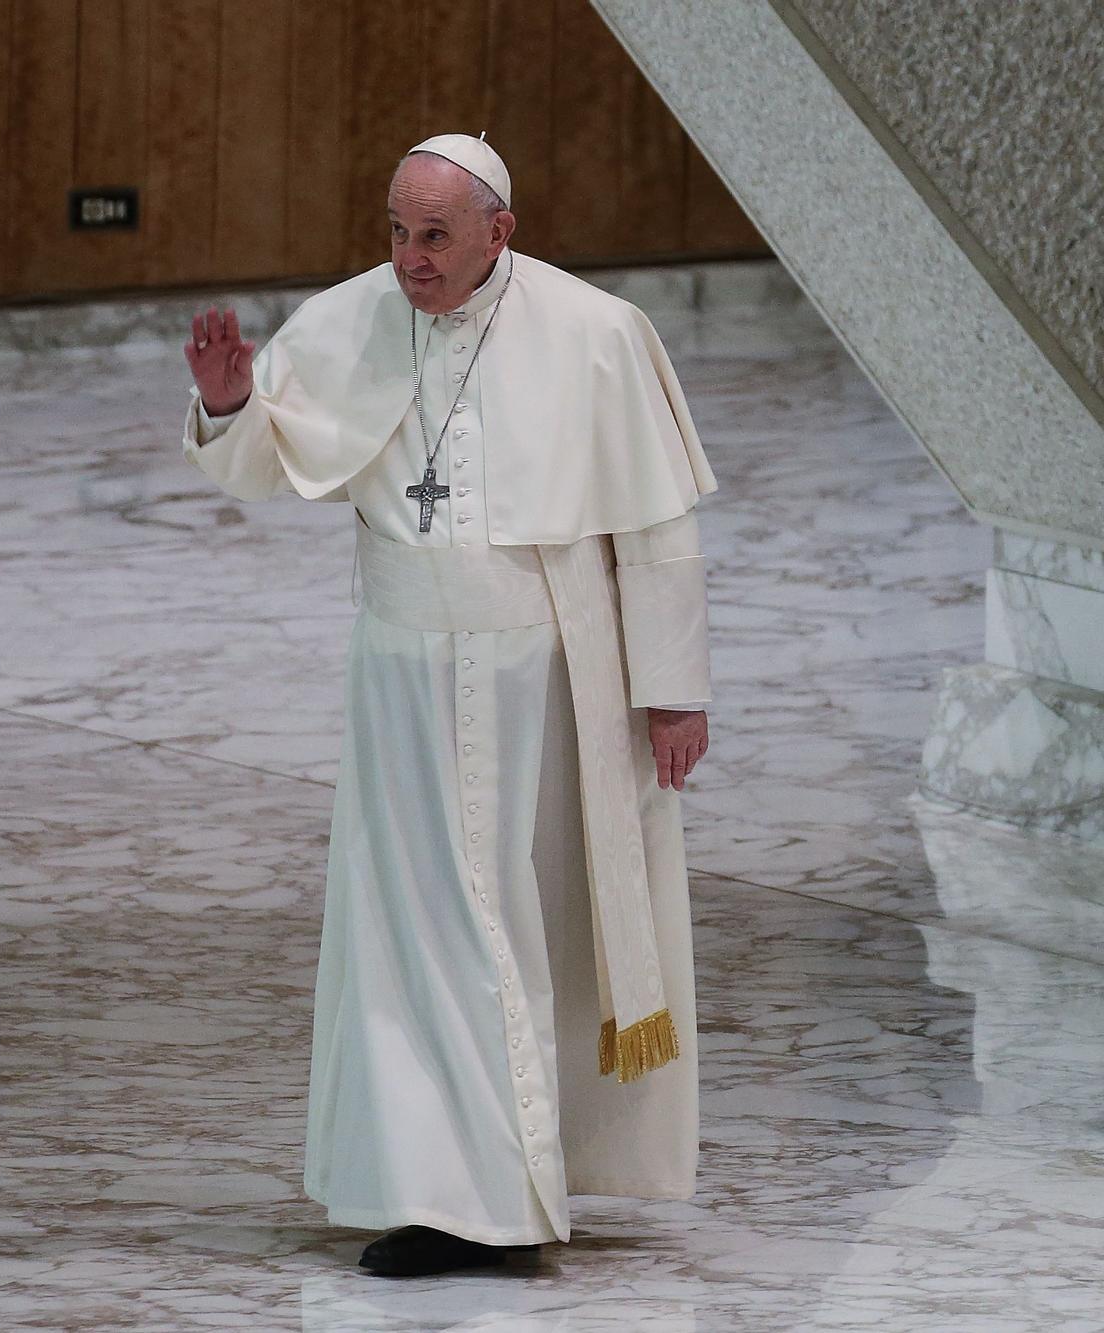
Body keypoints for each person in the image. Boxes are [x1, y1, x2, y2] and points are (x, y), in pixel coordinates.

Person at [179, 133, 715, 1278]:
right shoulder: (348, 320)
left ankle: (510, 1185)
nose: (408, 259)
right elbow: (271, 462)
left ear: (497, 233)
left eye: (432, 235)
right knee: (412, 931)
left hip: (547, 675)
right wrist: (230, 406)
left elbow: (658, 533)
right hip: (400, 675)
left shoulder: (593, 333)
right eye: (394, 230)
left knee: (521, 920)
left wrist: (669, 692)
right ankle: (444, 1196)